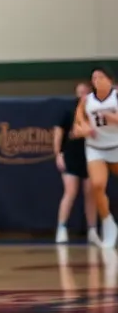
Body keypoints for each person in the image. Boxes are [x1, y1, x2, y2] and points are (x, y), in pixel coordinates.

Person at [55, 81, 100, 245]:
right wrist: (58, 154)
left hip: (91, 156)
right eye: (79, 92)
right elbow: (58, 134)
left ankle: (92, 230)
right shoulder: (68, 112)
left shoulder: (96, 113)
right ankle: (61, 228)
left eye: (85, 92)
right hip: (72, 156)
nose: (82, 95)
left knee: (91, 193)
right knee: (70, 192)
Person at [79, 67, 118, 249]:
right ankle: (108, 222)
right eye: (94, 78)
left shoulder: (116, 96)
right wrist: (83, 128)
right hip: (96, 147)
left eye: (101, 77)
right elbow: (77, 123)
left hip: (116, 145)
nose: (97, 81)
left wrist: (111, 117)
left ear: (110, 80)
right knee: (97, 185)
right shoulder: (86, 101)